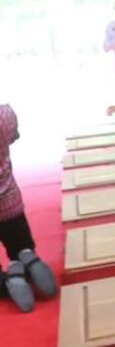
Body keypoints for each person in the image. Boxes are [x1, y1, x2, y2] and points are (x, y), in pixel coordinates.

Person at [0, 105, 56, 313]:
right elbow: (14, 137)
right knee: (20, 245)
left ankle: (10, 280)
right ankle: (27, 261)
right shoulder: (4, 114)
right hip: (10, 202)